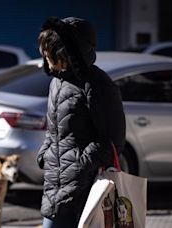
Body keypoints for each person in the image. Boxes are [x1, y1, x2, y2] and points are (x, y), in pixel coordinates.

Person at [36, 16, 126, 227]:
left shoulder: (98, 84)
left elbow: (112, 140)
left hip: (87, 189)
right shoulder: (57, 83)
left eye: (50, 50)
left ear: (67, 51)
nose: (45, 55)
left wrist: (80, 165)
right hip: (54, 185)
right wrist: (45, 154)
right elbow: (54, 129)